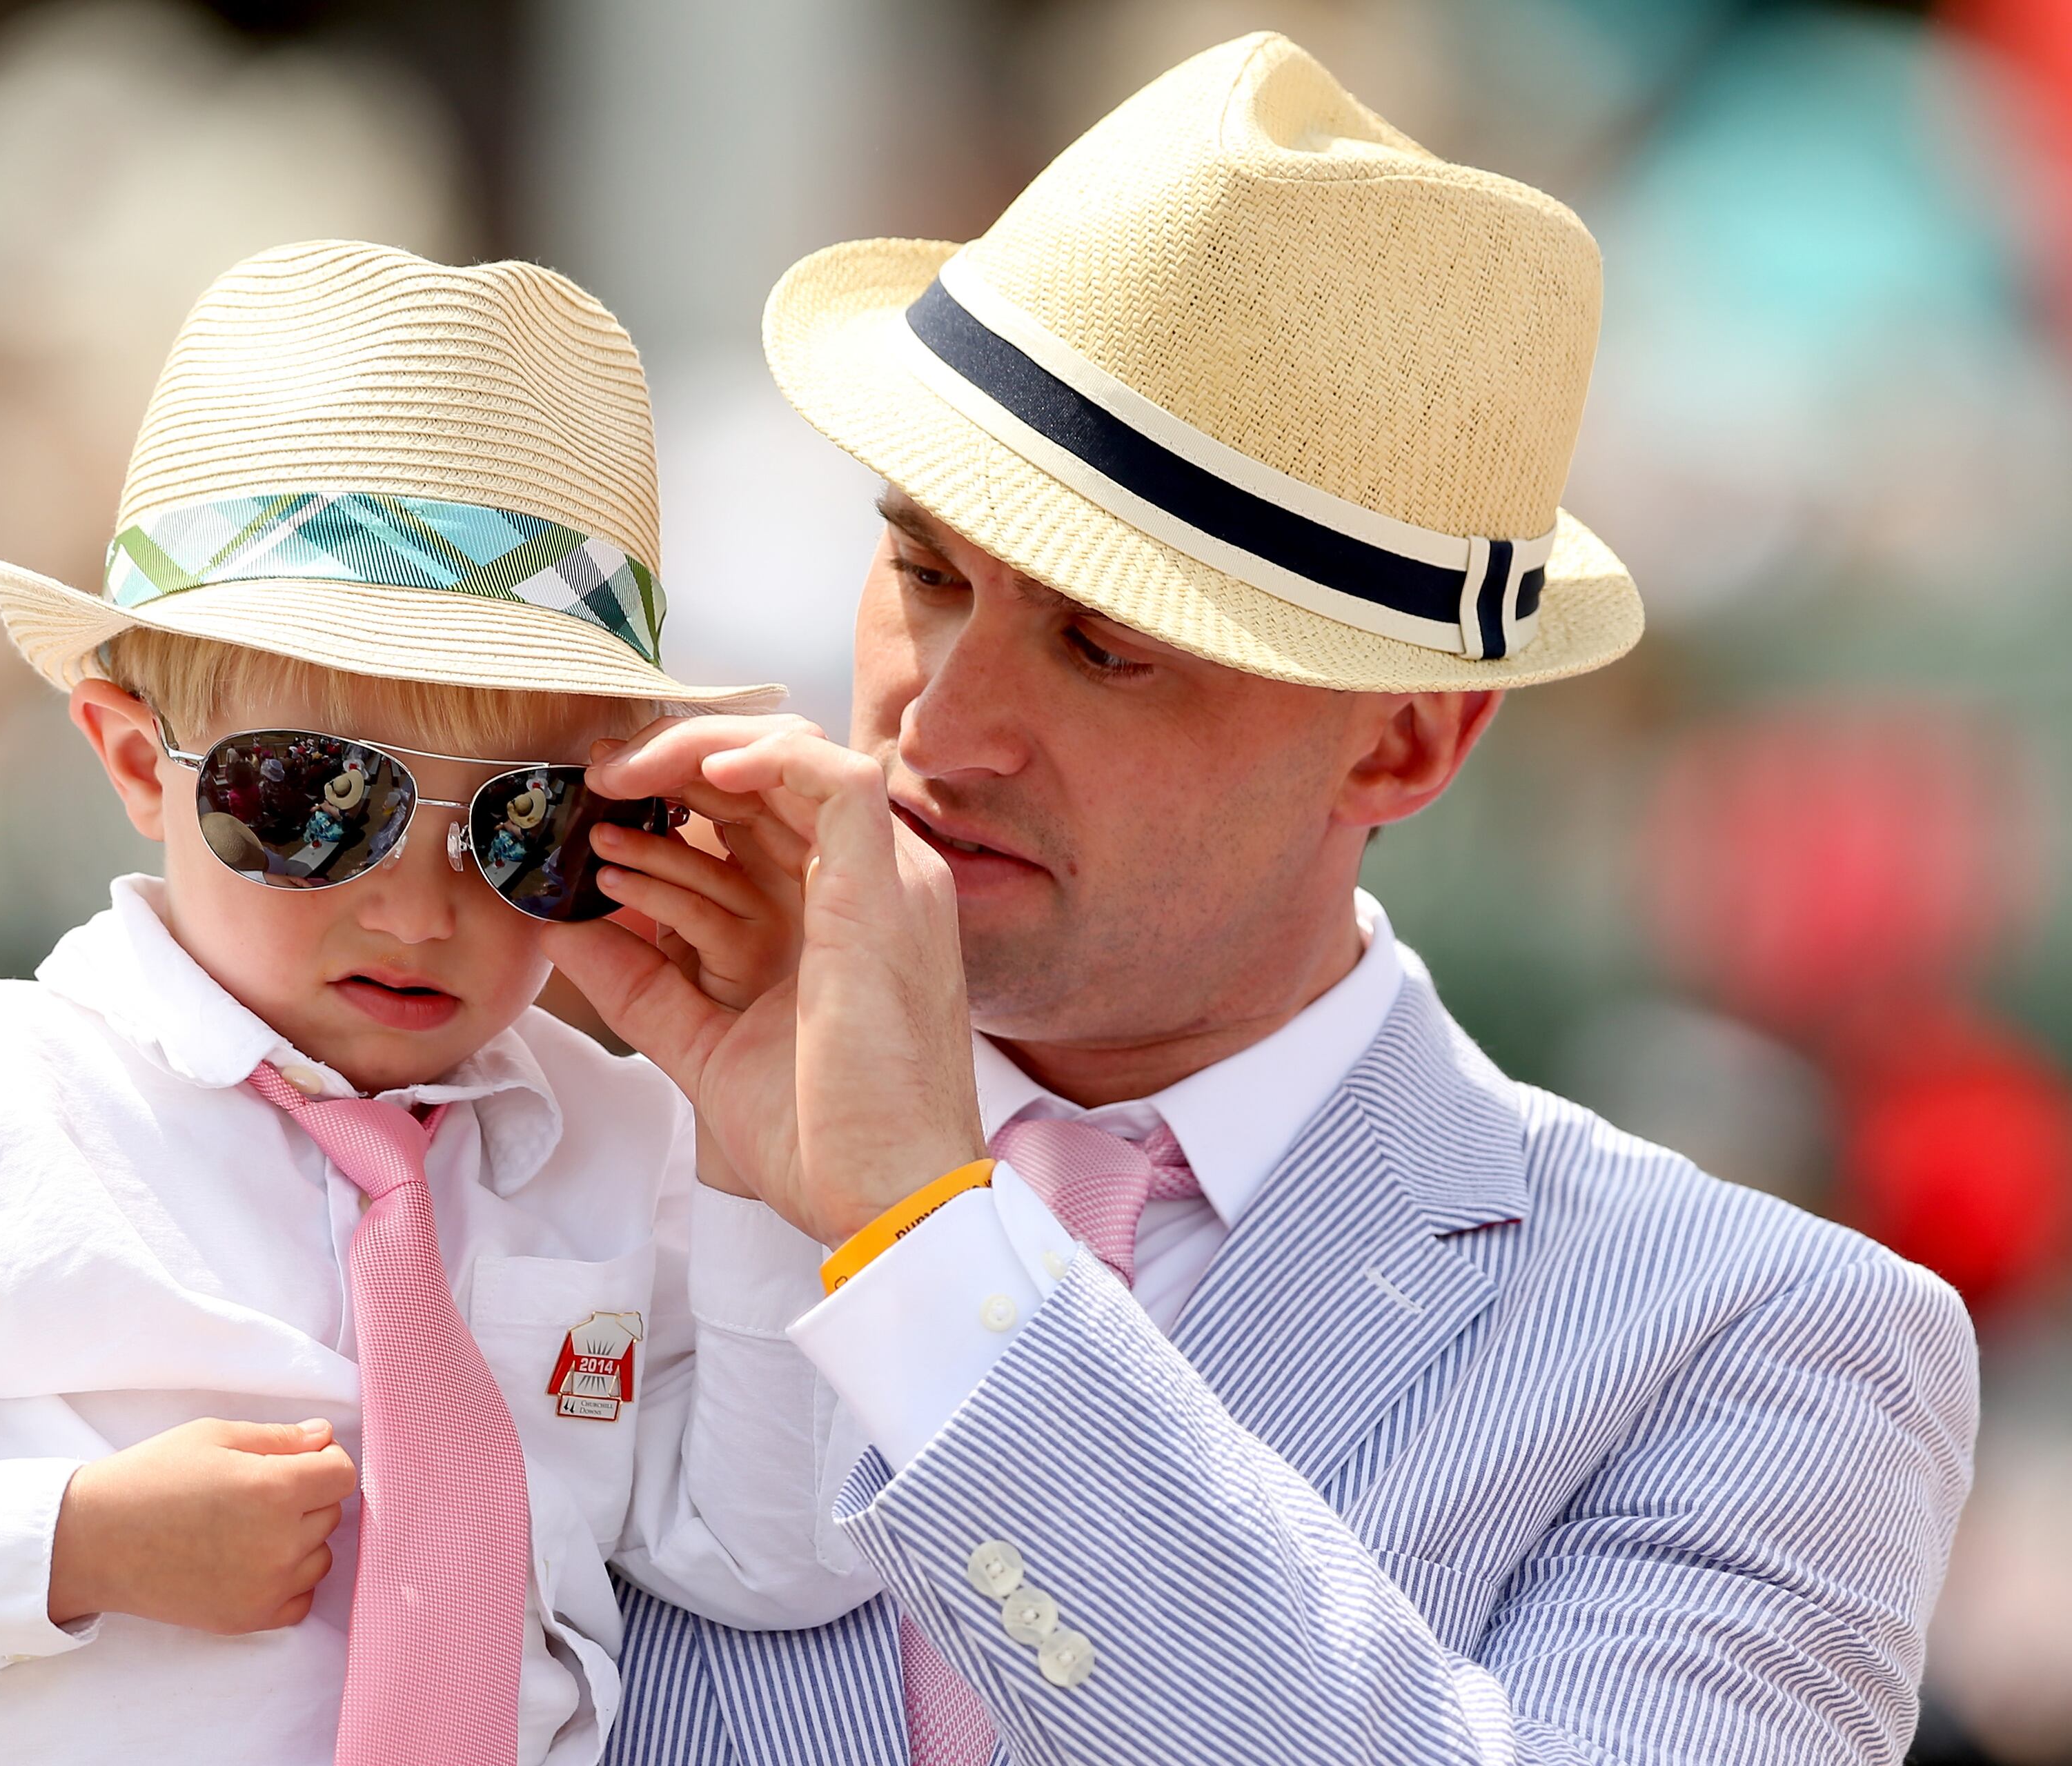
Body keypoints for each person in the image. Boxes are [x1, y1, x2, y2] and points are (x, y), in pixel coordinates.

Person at [548, 35, 1979, 1766]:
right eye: (923, 569)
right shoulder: (564, 1148)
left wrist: (929, 1246)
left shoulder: (1760, 1339)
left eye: (1105, 647)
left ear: (1406, 742)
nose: (940, 719)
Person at [0, 241, 871, 1766]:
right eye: (315, 800)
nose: (417, 904)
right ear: (139, 764)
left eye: (525, 821)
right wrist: (68, 1543)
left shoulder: (634, 1138)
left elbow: (765, 1556)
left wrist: (763, 1166)